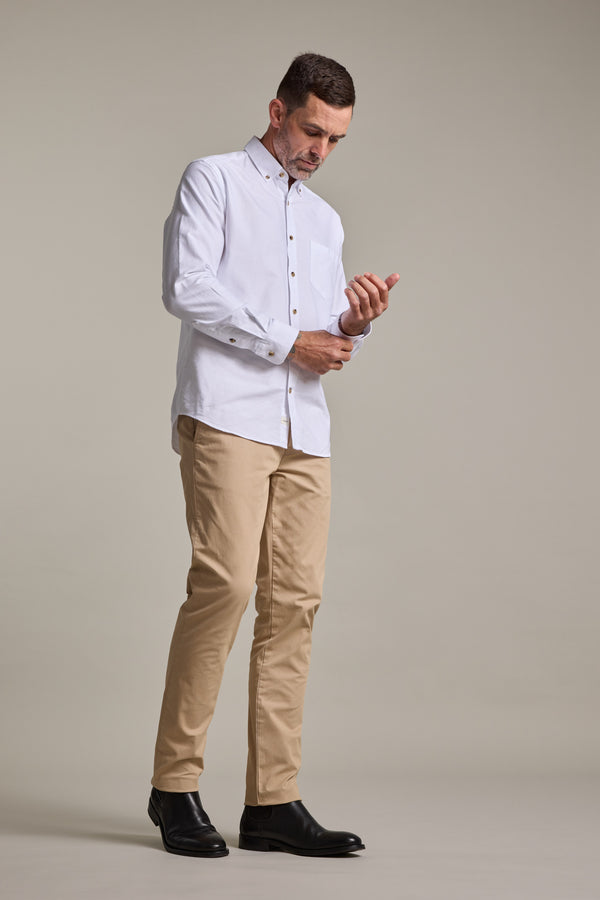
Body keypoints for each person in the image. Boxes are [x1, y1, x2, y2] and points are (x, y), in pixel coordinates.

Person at [148, 52, 399, 859]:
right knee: (224, 586)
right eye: (311, 129)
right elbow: (188, 288)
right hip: (226, 416)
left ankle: (273, 803)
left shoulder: (323, 221)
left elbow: (320, 329)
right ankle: (174, 786)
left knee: (295, 605)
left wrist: (353, 324)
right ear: (278, 110)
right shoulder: (213, 180)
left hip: (304, 431)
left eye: (335, 139)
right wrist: (293, 341)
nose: (319, 151)